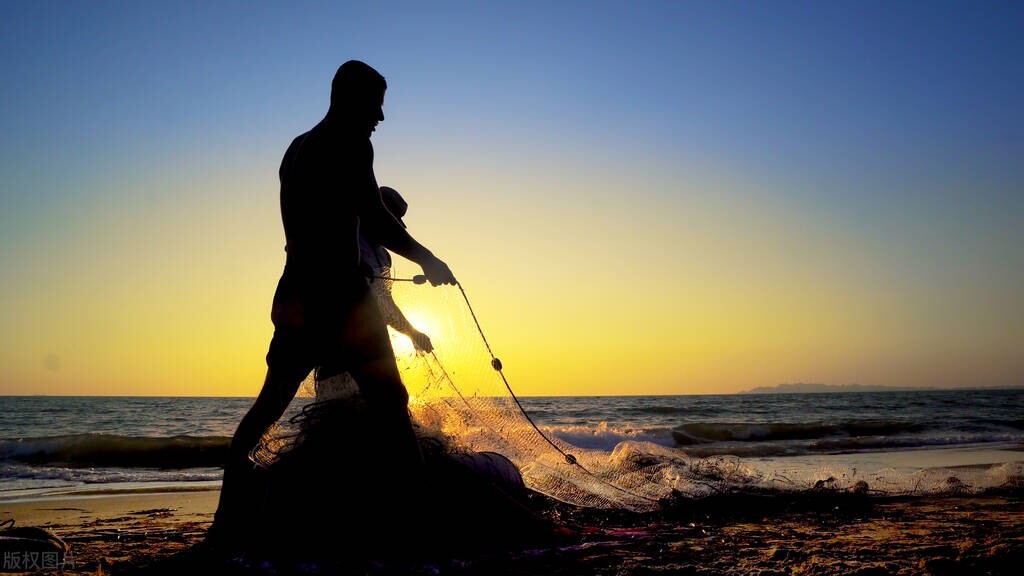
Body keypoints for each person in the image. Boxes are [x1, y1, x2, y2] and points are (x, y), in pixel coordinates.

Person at [208, 60, 456, 546]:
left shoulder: (296, 149)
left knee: (266, 409)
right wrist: (428, 258)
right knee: (392, 404)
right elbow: (377, 220)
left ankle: (225, 520)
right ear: (349, 98)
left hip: (296, 298)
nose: (380, 118)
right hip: (343, 301)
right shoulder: (350, 143)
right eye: (376, 106)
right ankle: (418, 523)